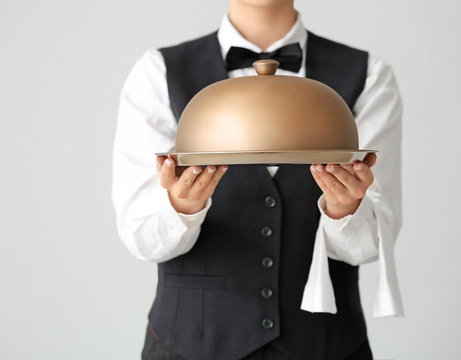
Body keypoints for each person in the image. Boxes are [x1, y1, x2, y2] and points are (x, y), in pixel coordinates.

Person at [112, 0, 403, 359]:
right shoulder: (158, 72)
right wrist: (181, 206)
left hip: (326, 345)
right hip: (188, 345)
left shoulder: (368, 73)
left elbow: (373, 242)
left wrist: (347, 208)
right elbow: (139, 234)